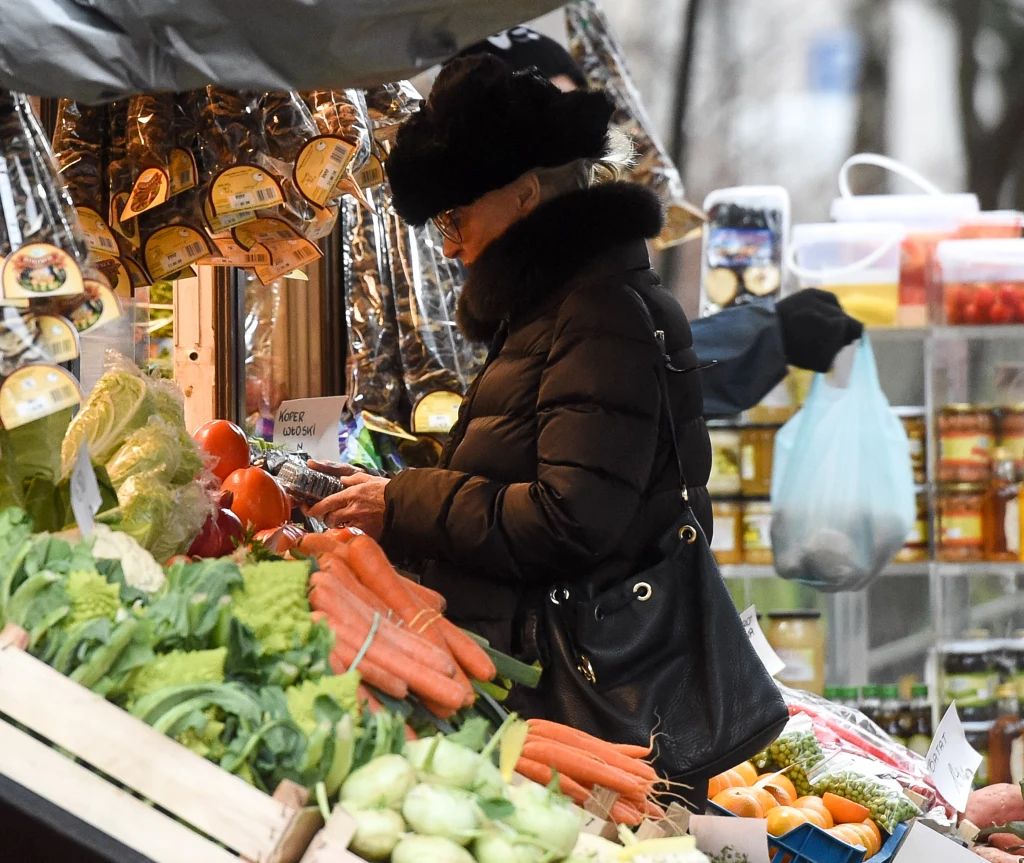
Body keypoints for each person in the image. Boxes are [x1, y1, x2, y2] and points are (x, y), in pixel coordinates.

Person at [311, 53, 713, 660]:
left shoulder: (599, 314)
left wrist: (404, 502)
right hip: (541, 660)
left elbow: (567, 521)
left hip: (582, 683)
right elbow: (525, 481)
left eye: (455, 216)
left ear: (524, 194)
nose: (448, 246)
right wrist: (390, 495)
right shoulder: (557, 308)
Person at [457, 27, 864, 418]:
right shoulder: (456, 259)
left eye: (575, 110)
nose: (572, 140)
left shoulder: (575, 250)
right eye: (546, 114)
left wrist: (771, 333)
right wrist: (769, 334)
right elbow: (619, 375)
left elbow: (629, 362)